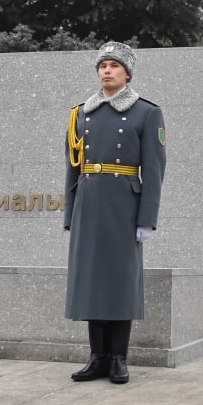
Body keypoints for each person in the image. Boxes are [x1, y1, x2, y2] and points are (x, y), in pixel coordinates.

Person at [64, 41, 166, 384]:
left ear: (127, 73)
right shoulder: (81, 114)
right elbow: (72, 168)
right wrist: (70, 213)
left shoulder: (146, 113)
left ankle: (119, 358)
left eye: (114, 66)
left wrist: (146, 218)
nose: (106, 70)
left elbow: (153, 170)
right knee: (93, 281)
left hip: (124, 205)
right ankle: (97, 357)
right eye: (102, 65)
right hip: (89, 204)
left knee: (120, 282)